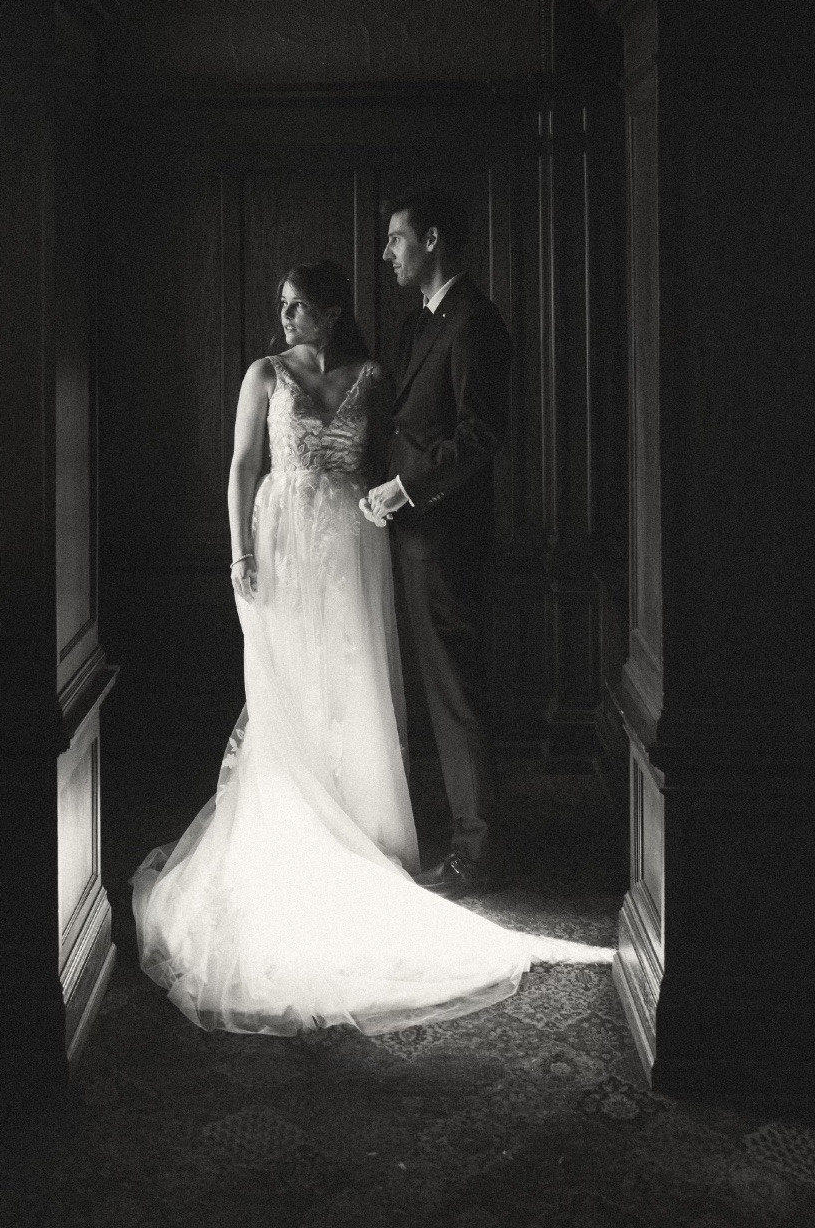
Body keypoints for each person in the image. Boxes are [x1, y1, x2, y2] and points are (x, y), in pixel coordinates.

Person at [133, 260, 608, 1036]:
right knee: (284, 692)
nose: (285, 320)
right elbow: (242, 467)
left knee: (351, 689)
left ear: (332, 312)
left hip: (354, 550)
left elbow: (406, 452)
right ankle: (288, 832)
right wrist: (238, 556)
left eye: (298, 309)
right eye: (281, 309)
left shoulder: (374, 378)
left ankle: (359, 827)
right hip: (281, 545)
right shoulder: (263, 374)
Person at [361, 188, 511, 896]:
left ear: (434, 240)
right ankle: (463, 833)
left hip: (443, 536)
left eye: (397, 239)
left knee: (454, 692)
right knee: (437, 690)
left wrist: (407, 489)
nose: (388, 253)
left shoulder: (475, 323)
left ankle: (478, 854)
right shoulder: (423, 322)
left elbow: (480, 437)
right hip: (413, 533)